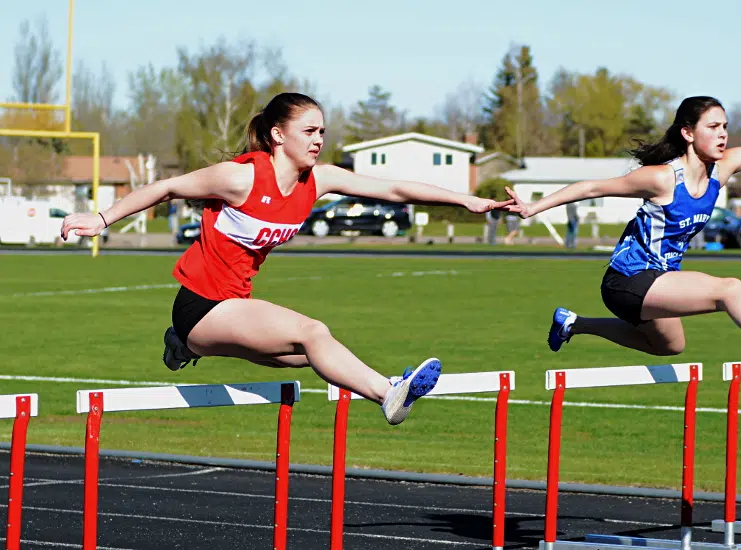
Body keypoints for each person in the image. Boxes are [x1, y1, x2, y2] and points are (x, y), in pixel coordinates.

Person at [60, 92, 513, 425]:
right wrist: (102, 218)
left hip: (229, 307)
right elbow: (167, 187)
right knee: (313, 333)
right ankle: (389, 394)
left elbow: (393, 189)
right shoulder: (240, 178)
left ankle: (183, 346)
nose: (318, 141)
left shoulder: (318, 181)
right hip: (201, 304)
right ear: (278, 135)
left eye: (322, 132)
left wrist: (466, 200)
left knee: (305, 356)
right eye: (309, 132)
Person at [504, 96, 741, 373]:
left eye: (725, 126)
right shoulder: (662, 178)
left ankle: (574, 324)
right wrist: (534, 208)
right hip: (627, 280)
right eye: (713, 127)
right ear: (688, 133)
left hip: (660, 280)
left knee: (669, 346)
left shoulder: (722, 170)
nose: (723, 134)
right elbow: (592, 187)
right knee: (730, 289)